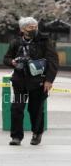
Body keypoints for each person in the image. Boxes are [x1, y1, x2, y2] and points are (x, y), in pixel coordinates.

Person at [3, 17, 58, 146]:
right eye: (30, 27)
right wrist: (12, 62)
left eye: (35, 26)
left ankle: (37, 133)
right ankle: (16, 137)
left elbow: (53, 61)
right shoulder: (16, 42)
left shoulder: (44, 41)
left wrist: (49, 80)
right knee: (16, 108)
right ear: (22, 29)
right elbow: (6, 58)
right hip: (20, 81)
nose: (34, 29)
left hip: (38, 82)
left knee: (35, 110)